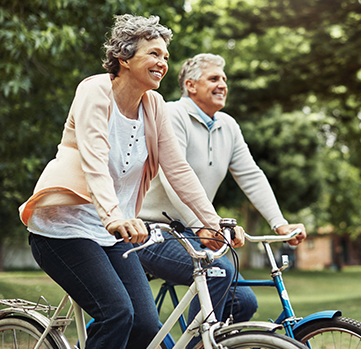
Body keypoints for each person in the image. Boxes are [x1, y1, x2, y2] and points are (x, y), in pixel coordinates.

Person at [19, 18, 244, 349]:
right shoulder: (94, 91)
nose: (163, 63)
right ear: (124, 58)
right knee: (117, 314)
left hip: (114, 234)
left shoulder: (154, 107)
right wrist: (113, 215)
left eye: (166, 57)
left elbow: (178, 170)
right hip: (63, 229)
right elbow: (93, 159)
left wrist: (213, 224)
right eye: (154, 54)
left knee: (146, 325)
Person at [138, 53, 307, 347]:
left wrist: (279, 223)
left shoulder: (227, 125)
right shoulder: (171, 115)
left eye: (224, 80)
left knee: (243, 301)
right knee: (219, 272)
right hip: (150, 230)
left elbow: (251, 176)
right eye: (214, 79)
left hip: (193, 232)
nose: (222, 85)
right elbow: (173, 175)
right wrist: (203, 224)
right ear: (190, 85)